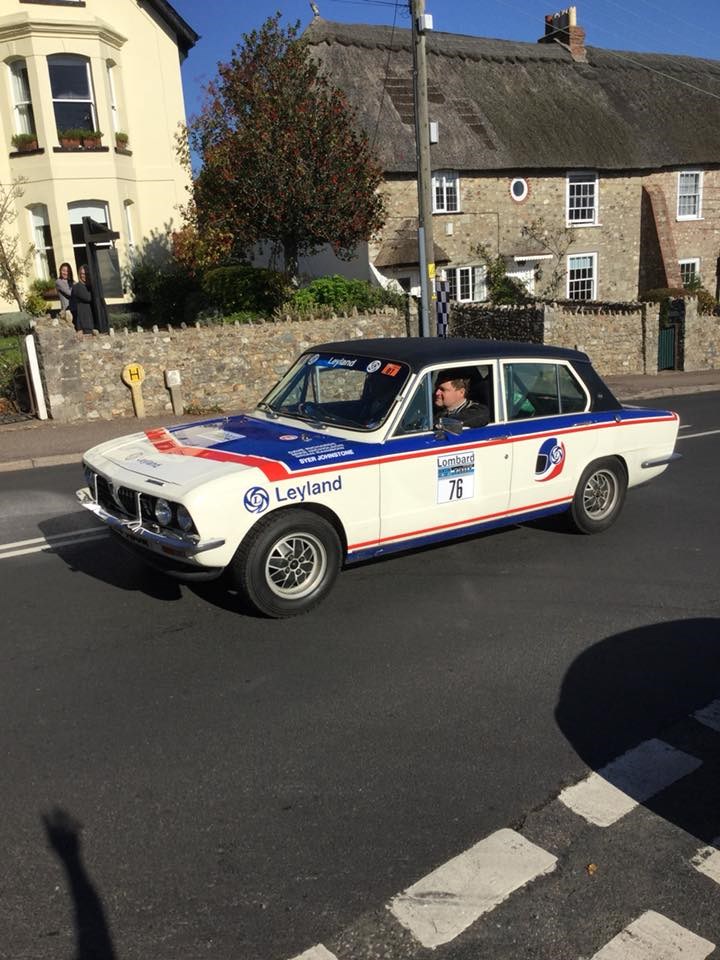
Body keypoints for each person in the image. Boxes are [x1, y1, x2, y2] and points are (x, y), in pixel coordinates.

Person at [69, 264, 95, 335]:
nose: (84, 275)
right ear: (79, 274)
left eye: (86, 273)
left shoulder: (89, 286)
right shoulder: (77, 287)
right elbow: (88, 298)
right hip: (84, 322)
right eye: (82, 274)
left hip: (92, 321)